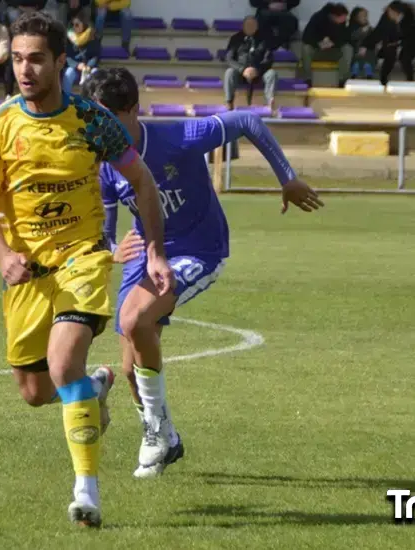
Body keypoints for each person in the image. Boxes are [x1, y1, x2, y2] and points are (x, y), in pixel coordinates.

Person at [0, 11, 173, 528]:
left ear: (62, 61)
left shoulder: (91, 121)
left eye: (36, 58)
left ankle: (88, 494)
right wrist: (3, 256)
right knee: (36, 393)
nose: (25, 69)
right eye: (16, 59)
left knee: (62, 366)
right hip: (27, 272)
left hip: (82, 259)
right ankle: (97, 385)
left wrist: (154, 250)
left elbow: (143, 182)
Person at [82, 67, 322, 477]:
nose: (98, 129)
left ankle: (156, 432)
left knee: (135, 318)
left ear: (133, 112)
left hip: (199, 248)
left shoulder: (176, 138)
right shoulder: (105, 164)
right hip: (146, 254)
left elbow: (247, 120)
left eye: (107, 118)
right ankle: (167, 440)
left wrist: (287, 178)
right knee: (130, 367)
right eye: (92, 118)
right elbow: (105, 232)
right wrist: (112, 248)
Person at [223, 15, 276, 110]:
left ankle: (270, 102)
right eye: (248, 25)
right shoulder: (236, 39)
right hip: (240, 73)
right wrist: (242, 69)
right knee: (229, 72)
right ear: (243, 26)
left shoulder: (265, 39)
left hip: (259, 73)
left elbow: (269, 59)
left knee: (272, 74)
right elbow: (229, 58)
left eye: (253, 25)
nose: (250, 27)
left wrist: (257, 70)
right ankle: (229, 102)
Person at [362, 1, 415, 85]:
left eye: (391, 12)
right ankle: (383, 81)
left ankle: (410, 80)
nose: (389, 14)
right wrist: (365, 45)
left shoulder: (410, 18)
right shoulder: (385, 17)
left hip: (407, 45)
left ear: (397, 13)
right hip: (390, 44)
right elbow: (377, 32)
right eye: (388, 11)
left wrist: (401, 44)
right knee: (389, 55)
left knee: (405, 58)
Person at [300, 3, 352, 88]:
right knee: (306, 48)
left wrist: (333, 43)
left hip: (333, 51)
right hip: (317, 50)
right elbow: (306, 37)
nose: (344, 20)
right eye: (342, 18)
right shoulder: (317, 18)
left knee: (348, 48)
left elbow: (346, 39)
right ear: (333, 16)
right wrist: (319, 43)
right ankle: (308, 78)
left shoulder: (343, 24)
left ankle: (342, 80)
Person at [62, 14, 100, 93]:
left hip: (89, 67)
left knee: (95, 73)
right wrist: (77, 65)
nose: (74, 27)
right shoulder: (69, 38)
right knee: (68, 73)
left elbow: (96, 56)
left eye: (77, 24)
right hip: (75, 67)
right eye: (73, 25)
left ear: (84, 25)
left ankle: (91, 101)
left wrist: (88, 66)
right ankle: (66, 99)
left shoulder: (92, 37)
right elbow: (67, 56)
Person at [349, 6, 375, 79]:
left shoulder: (368, 27)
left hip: (368, 49)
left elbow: (373, 38)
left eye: (366, 16)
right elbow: (352, 38)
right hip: (356, 48)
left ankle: (369, 73)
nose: (365, 18)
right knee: (357, 59)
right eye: (362, 16)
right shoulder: (352, 26)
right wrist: (362, 31)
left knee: (369, 56)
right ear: (356, 17)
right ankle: (354, 72)